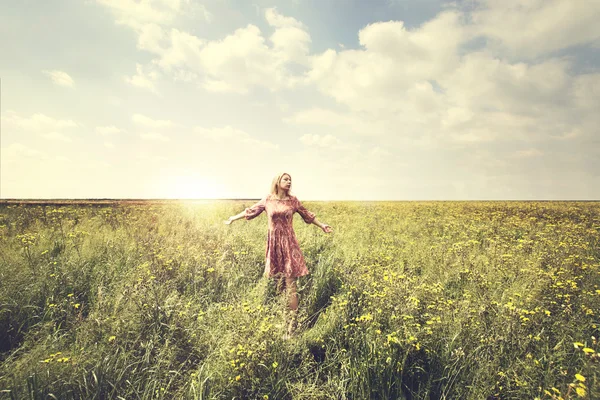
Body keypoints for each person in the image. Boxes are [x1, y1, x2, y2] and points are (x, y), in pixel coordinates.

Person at [224, 172, 333, 336]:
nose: (289, 182)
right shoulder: (268, 199)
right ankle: (285, 321)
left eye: (290, 180)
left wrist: (322, 225)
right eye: (286, 179)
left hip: (289, 245)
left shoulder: (293, 200)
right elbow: (251, 211)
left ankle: (292, 327)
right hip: (274, 245)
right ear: (277, 181)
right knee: (280, 286)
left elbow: (307, 215)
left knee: (291, 285)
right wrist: (233, 217)